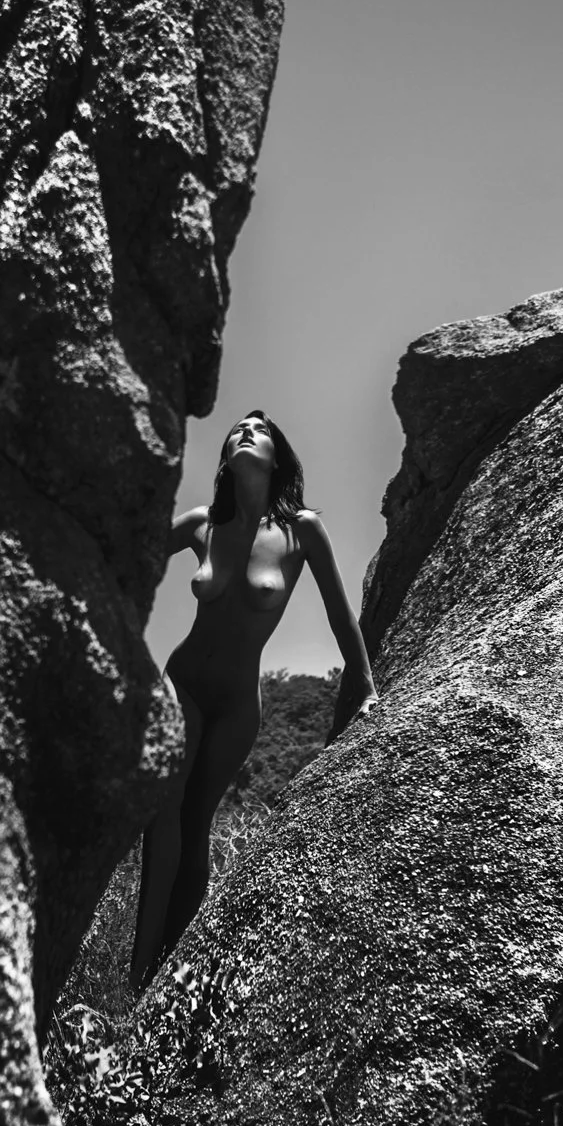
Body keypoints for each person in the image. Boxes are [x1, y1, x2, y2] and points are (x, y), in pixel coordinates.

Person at [129, 409, 379, 994]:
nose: (245, 432)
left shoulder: (302, 530)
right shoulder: (200, 524)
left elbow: (341, 615)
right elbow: (130, 559)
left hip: (240, 705)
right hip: (183, 683)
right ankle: (135, 980)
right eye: (236, 429)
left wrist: (364, 687)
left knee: (196, 824)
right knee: (163, 814)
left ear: (277, 456)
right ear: (226, 459)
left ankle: (162, 980)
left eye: (258, 429)